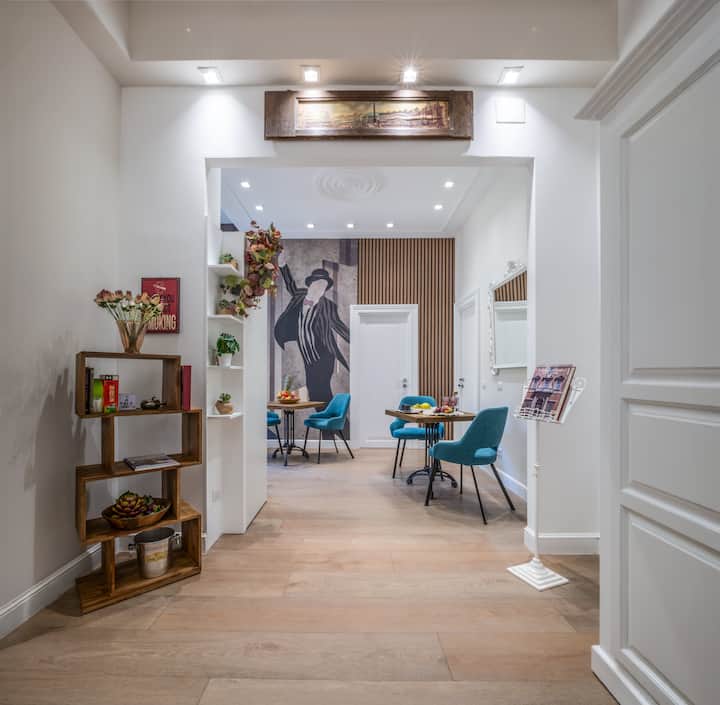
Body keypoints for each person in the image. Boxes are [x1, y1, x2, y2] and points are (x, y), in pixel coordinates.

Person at [274, 261, 349, 402]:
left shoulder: (328, 306)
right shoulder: (299, 296)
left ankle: (332, 415)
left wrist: (355, 340)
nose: (321, 289)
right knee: (313, 390)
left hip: (324, 354)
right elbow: (290, 284)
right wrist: (283, 265)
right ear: (311, 285)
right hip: (307, 356)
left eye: (324, 286)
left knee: (321, 388)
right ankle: (330, 415)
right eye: (318, 284)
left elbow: (338, 325)